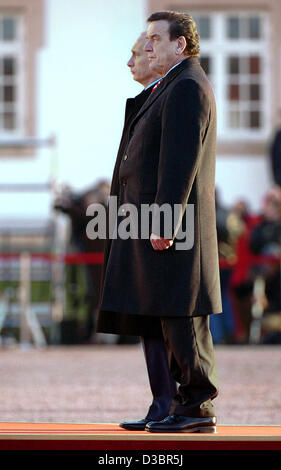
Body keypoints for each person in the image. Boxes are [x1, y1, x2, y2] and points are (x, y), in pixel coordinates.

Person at [97, 11, 222, 433]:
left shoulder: (187, 87)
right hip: (156, 221)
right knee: (167, 313)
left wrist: (166, 220)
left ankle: (196, 409)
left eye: (155, 39)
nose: (147, 47)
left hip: (172, 225)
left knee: (182, 315)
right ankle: (176, 407)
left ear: (179, 45)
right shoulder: (173, 84)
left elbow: (179, 164)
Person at [96, 32, 177, 428]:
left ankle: (174, 402)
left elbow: (172, 165)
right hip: (135, 219)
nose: (130, 63)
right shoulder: (150, 97)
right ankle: (161, 401)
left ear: (152, 53)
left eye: (134, 54)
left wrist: (162, 219)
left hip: (154, 222)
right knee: (146, 317)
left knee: (161, 316)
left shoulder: (172, 94)